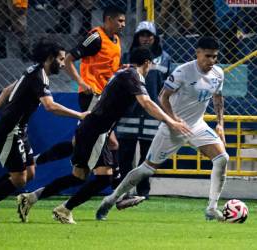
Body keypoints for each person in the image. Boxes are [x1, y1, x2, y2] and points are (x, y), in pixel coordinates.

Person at [16, 47, 191, 224]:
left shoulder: (124, 72)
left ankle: (31, 198)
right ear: (147, 63)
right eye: (151, 64)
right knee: (101, 178)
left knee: (80, 176)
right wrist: (171, 122)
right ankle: (64, 208)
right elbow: (146, 103)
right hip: (96, 131)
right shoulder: (133, 76)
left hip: (95, 129)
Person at [97, 36, 229, 222]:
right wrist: (173, 120)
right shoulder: (183, 72)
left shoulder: (218, 73)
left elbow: (218, 98)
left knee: (222, 158)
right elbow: (162, 97)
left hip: (197, 126)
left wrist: (220, 124)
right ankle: (111, 199)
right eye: (208, 56)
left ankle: (211, 208)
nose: (212, 61)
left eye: (215, 57)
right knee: (146, 170)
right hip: (172, 129)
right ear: (197, 53)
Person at [0, 39, 89, 219]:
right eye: (61, 59)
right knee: (19, 178)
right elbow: (50, 106)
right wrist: (79, 115)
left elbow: (6, 90)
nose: (64, 64)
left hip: (19, 129)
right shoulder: (38, 76)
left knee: (30, 172)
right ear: (50, 58)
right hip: (10, 129)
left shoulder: (33, 71)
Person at [27, 5, 126, 185]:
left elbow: (108, 68)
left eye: (124, 21)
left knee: (81, 142)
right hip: (92, 96)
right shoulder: (96, 37)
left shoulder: (117, 40)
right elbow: (69, 58)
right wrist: (81, 82)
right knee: (111, 143)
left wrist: (122, 70)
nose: (123, 24)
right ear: (108, 19)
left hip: (104, 97)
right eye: (120, 20)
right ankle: (116, 188)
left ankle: (34, 161)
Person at [116, 21, 171, 201]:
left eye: (149, 35)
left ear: (155, 38)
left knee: (149, 156)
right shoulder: (126, 57)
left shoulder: (165, 59)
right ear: (136, 37)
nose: (146, 38)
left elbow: (166, 88)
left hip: (152, 115)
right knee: (125, 155)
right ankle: (121, 191)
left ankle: (143, 191)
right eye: (142, 35)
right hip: (128, 114)